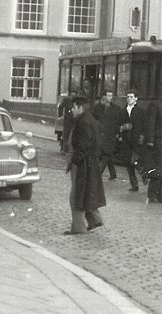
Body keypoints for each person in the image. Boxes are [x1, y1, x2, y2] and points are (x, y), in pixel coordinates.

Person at [65, 96, 105, 234]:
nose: (71, 110)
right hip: (90, 164)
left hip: (82, 165)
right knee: (86, 193)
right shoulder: (91, 121)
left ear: (80, 108)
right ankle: (95, 219)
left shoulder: (82, 123)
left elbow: (83, 146)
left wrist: (75, 161)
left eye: (73, 108)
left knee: (76, 196)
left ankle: (78, 228)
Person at [120, 90, 147, 192]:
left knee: (134, 161)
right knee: (128, 163)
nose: (129, 99)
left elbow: (145, 125)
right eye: (127, 97)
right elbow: (118, 124)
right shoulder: (122, 111)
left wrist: (143, 136)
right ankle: (134, 185)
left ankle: (144, 174)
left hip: (136, 140)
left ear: (136, 98)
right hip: (126, 140)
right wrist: (122, 128)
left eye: (131, 97)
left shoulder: (141, 111)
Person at [91, 89, 122, 180]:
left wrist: (118, 134)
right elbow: (93, 120)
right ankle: (113, 174)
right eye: (108, 96)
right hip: (100, 135)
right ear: (103, 96)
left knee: (106, 154)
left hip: (110, 136)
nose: (110, 98)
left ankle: (97, 175)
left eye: (111, 96)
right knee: (108, 154)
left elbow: (118, 122)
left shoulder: (116, 109)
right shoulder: (97, 108)